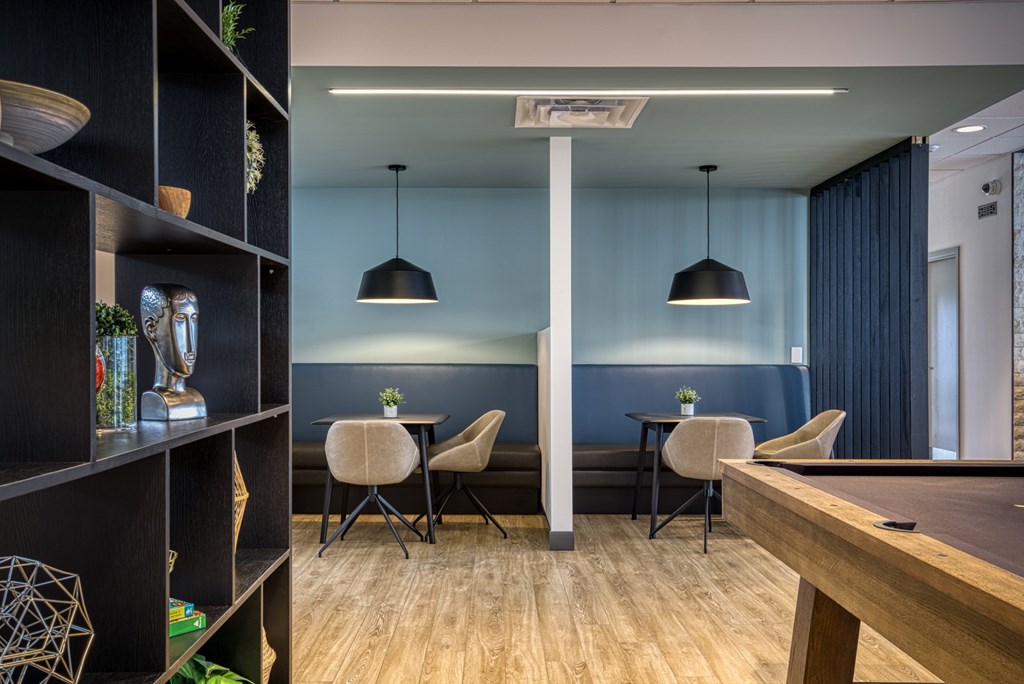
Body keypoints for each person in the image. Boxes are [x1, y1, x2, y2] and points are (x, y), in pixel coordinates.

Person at [140, 283, 207, 420]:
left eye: (193, 319)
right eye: (180, 319)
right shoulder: (155, 400)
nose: (190, 339)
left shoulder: (196, 398)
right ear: (151, 329)